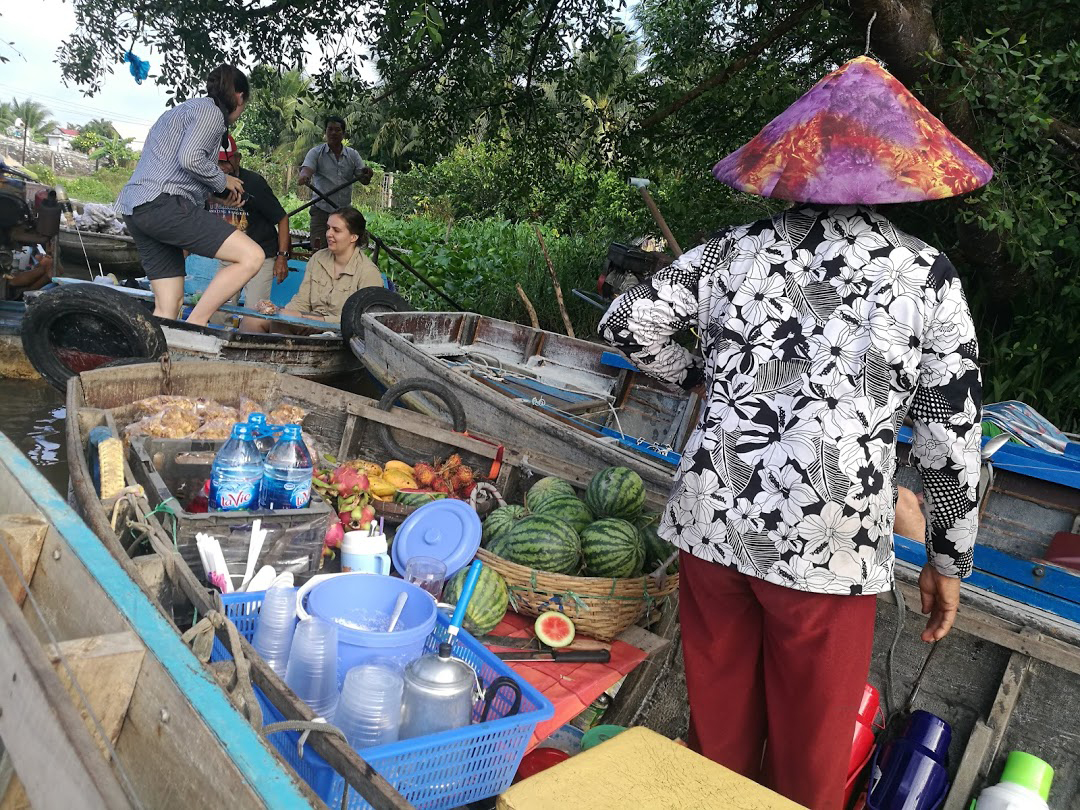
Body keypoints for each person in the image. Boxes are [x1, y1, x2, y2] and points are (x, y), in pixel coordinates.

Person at [598, 56, 990, 809]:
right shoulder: (925, 276)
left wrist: (697, 377)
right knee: (810, 771)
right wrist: (949, 558)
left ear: (795, 162)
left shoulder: (730, 251)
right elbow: (949, 435)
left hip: (716, 526)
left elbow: (627, 321)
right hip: (826, 548)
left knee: (718, 749)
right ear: (891, 171)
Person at [116, 64, 264, 324]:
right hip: (162, 205)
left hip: (137, 208)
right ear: (240, 98)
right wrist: (224, 179)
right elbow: (190, 158)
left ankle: (155, 358)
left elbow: (172, 170)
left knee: (168, 306)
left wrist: (214, 196)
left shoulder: (180, 111)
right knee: (252, 256)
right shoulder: (212, 113)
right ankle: (196, 325)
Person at [250, 206, 382, 332]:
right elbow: (302, 301)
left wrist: (310, 318)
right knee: (252, 320)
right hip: (309, 323)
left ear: (354, 237)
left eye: (336, 230)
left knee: (280, 327)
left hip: (340, 332)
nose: (329, 234)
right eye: (328, 228)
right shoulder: (318, 258)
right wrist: (282, 313)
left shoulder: (368, 272)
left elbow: (362, 321)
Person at [212, 136, 292, 332]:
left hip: (261, 255)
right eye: (217, 161)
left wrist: (282, 257)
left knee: (253, 316)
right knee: (216, 310)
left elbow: (282, 218)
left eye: (226, 161)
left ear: (237, 159)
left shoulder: (254, 183)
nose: (222, 167)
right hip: (230, 255)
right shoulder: (209, 183)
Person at [298, 116, 373, 250]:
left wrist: (367, 174)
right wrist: (304, 176)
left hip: (344, 213)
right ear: (325, 132)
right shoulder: (316, 153)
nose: (333, 133)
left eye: (337, 130)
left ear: (343, 134)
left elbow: (363, 179)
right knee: (319, 249)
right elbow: (307, 169)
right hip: (321, 210)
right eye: (330, 129)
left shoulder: (353, 155)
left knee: (342, 250)